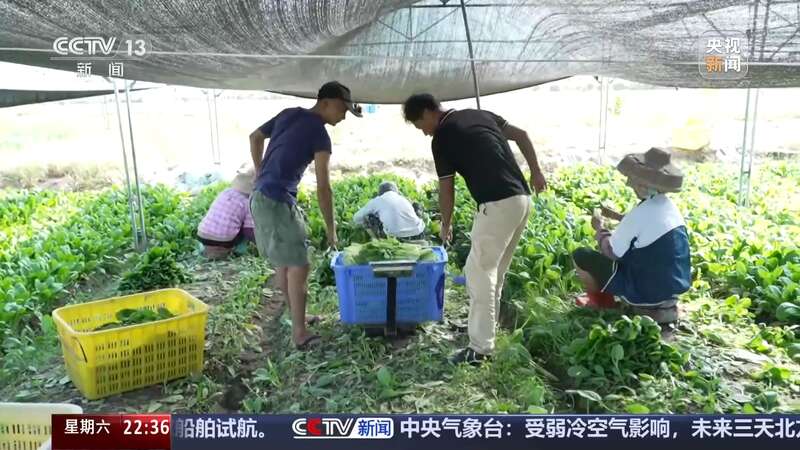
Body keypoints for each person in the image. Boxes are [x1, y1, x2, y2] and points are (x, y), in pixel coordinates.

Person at [402, 93, 547, 365]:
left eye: (420, 125)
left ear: (428, 112)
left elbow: (447, 188)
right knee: (494, 271)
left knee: (478, 272)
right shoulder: (479, 114)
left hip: (498, 203)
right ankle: (482, 328)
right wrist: (536, 171)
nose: (424, 133)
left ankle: (480, 349)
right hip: (521, 200)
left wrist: (445, 224)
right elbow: (523, 135)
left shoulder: (442, 137)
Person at [249, 81, 362, 350]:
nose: (344, 116)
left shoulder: (289, 113)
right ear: (326, 103)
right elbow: (323, 187)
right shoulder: (319, 134)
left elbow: (255, 136)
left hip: (262, 197)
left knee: (285, 263)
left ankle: (297, 317)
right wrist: (331, 230)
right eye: (342, 109)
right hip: (276, 201)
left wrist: (259, 171)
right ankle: (299, 333)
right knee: (300, 265)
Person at [572, 147, 691, 324]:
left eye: (633, 180)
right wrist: (618, 216)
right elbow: (647, 227)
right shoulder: (668, 208)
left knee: (582, 256)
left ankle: (602, 302)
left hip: (646, 293)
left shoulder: (641, 213)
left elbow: (611, 251)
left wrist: (600, 229)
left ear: (644, 185)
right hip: (670, 292)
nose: (630, 184)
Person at [196, 167, 256, 259]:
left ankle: (207, 250)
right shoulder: (247, 202)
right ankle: (238, 251)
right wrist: (262, 244)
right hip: (222, 239)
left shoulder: (226, 192)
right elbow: (249, 231)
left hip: (202, 234)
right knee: (247, 226)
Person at [352, 181, 426, 241]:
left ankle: (378, 242)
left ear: (380, 193)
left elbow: (356, 218)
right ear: (396, 191)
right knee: (416, 206)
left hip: (394, 237)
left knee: (369, 217)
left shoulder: (378, 200)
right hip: (419, 232)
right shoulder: (404, 199)